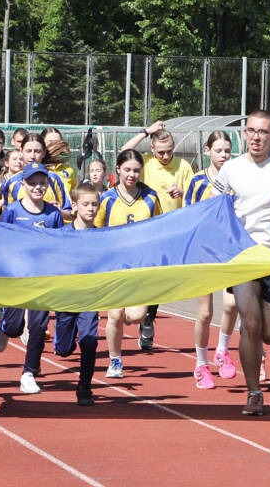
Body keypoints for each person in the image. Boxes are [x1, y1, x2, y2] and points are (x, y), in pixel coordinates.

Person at [211, 111, 270, 415]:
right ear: (244, 135)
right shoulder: (231, 169)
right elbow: (214, 206)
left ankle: (268, 343)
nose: (256, 137)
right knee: (249, 322)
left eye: (263, 132)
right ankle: (254, 391)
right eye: (251, 131)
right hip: (243, 255)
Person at [0, 162, 65, 392]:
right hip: (17, 277)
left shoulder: (53, 214)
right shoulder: (13, 211)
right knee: (14, 327)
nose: (38, 187)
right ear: (23, 184)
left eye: (42, 183)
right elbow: (1, 240)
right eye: (33, 183)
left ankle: (29, 372)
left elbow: (61, 244)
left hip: (42, 279)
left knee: (38, 325)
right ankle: (4, 325)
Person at [120, 122, 195, 349]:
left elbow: (194, 194)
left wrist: (183, 192)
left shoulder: (182, 166)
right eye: (161, 151)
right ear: (152, 149)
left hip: (170, 234)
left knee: (159, 280)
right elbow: (125, 153)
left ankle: (148, 318)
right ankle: (133, 309)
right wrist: (146, 132)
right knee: (139, 276)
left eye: (169, 150)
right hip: (144, 232)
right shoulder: (147, 164)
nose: (165, 155)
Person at [96, 150, 162, 378]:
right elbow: (96, 230)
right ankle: (115, 360)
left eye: (136, 170)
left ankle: (122, 320)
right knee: (114, 316)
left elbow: (158, 228)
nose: (132, 174)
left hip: (140, 266)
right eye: (127, 170)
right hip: (114, 267)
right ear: (118, 170)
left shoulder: (151, 198)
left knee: (136, 316)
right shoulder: (107, 198)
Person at [185, 131, 239, 389]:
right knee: (205, 313)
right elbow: (188, 216)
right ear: (208, 151)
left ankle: (222, 350)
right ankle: (201, 364)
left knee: (232, 304)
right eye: (218, 150)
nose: (223, 155)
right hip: (203, 252)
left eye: (227, 151)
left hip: (228, 251)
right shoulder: (197, 182)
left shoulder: (238, 179)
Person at [61, 183, 104, 405]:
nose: (90, 209)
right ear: (75, 205)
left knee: (89, 341)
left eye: (95, 205)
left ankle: (85, 387)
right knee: (64, 349)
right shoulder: (62, 234)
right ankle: (64, 341)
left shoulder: (101, 236)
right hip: (65, 297)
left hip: (90, 297)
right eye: (86, 204)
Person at [41, 128, 75, 193]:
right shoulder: (38, 169)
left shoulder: (68, 170)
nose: (55, 145)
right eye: (50, 142)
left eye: (58, 142)